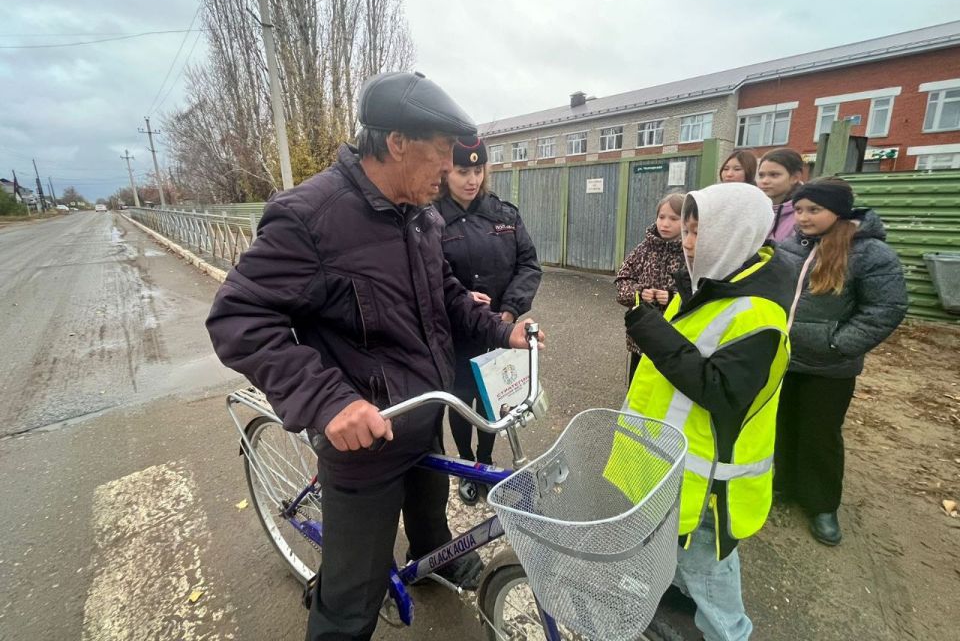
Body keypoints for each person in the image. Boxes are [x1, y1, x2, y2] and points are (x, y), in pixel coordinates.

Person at [205, 71, 545, 641]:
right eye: (443, 151)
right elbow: (238, 317)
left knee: (430, 514)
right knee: (350, 605)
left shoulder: (421, 214)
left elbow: (446, 295)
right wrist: (327, 401)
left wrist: (499, 330)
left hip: (424, 413)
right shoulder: (311, 216)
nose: (452, 167)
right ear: (397, 142)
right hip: (364, 441)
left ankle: (432, 557)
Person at [619, 182, 796, 641]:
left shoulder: (758, 315)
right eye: (687, 230)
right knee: (673, 549)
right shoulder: (708, 283)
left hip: (707, 483)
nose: (688, 242)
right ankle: (675, 594)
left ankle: (728, 633)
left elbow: (719, 390)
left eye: (699, 231)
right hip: (672, 461)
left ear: (735, 234)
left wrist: (652, 333)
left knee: (709, 570)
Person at [775, 177, 907, 546]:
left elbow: (885, 309)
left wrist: (836, 344)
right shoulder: (793, 244)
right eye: (799, 210)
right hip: (784, 360)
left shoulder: (871, 253)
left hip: (829, 367)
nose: (803, 217)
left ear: (839, 211)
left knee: (820, 435)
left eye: (814, 210)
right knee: (782, 426)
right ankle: (783, 485)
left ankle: (821, 504)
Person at [434, 135, 542, 504]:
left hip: (499, 331)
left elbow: (528, 265)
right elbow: (425, 278)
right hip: (456, 334)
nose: (472, 179)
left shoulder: (504, 215)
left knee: (493, 400)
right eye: (462, 171)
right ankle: (466, 464)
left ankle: (485, 459)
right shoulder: (430, 219)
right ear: (446, 172)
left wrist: (509, 312)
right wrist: (461, 298)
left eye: (478, 171)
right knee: (462, 402)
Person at [615, 193, 685, 380]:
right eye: (661, 217)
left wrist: (673, 298)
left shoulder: (690, 253)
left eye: (674, 218)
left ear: (686, 220)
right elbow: (622, 280)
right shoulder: (643, 249)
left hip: (676, 338)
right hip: (642, 336)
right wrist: (638, 293)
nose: (665, 224)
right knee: (638, 385)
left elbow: (700, 292)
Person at [757, 148, 804, 241]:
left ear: (795, 177)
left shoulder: (803, 215)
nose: (764, 181)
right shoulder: (755, 209)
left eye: (774, 175)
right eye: (761, 175)